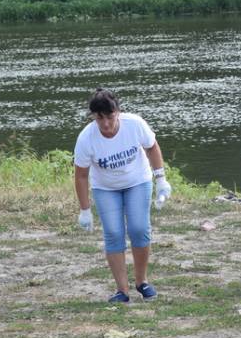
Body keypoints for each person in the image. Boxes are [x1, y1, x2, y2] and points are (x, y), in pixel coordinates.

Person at [73, 88, 171, 303]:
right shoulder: (86, 138)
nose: (106, 124)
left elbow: (152, 147)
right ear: (93, 117)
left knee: (138, 228)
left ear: (117, 112)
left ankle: (142, 282)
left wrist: (160, 178)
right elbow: (81, 175)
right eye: (100, 119)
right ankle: (122, 290)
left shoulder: (134, 124)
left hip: (137, 181)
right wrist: (85, 210)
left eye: (110, 117)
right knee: (114, 233)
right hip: (106, 188)